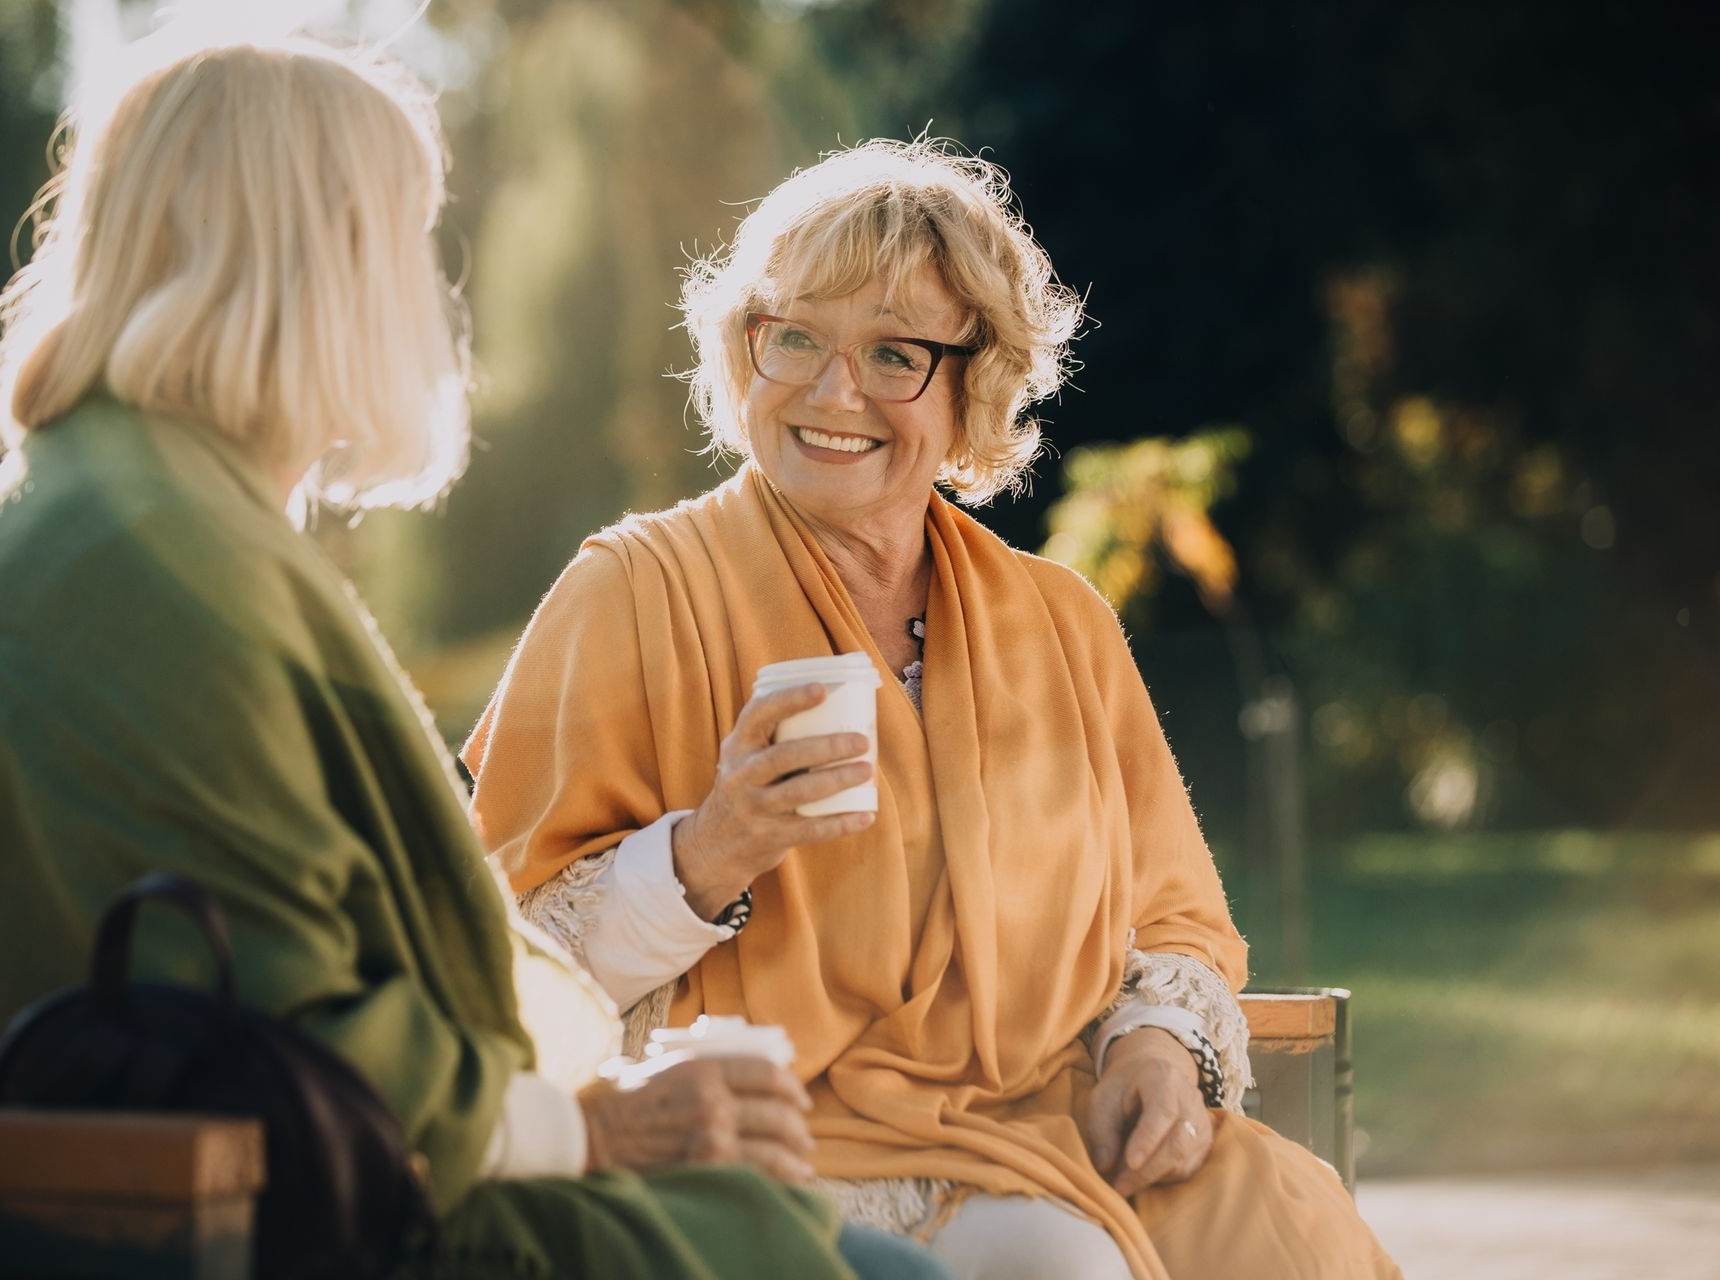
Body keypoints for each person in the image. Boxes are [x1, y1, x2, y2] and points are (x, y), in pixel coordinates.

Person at [0, 34, 946, 1280]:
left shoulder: (118, 513)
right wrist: (596, 1121)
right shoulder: (157, 564)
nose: (431, 290)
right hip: (304, 1231)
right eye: (411, 237)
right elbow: (289, 1020)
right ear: (326, 264)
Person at [465, 140, 1403, 1279]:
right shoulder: (628, 592)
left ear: (975, 386)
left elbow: (1174, 919)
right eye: (793, 335)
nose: (830, 391)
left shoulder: (1062, 620)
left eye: (893, 354)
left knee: (1271, 1223)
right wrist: (707, 852)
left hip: (1036, 1133)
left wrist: (1159, 1044)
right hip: (746, 1148)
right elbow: (502, 973)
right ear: (740, 349)